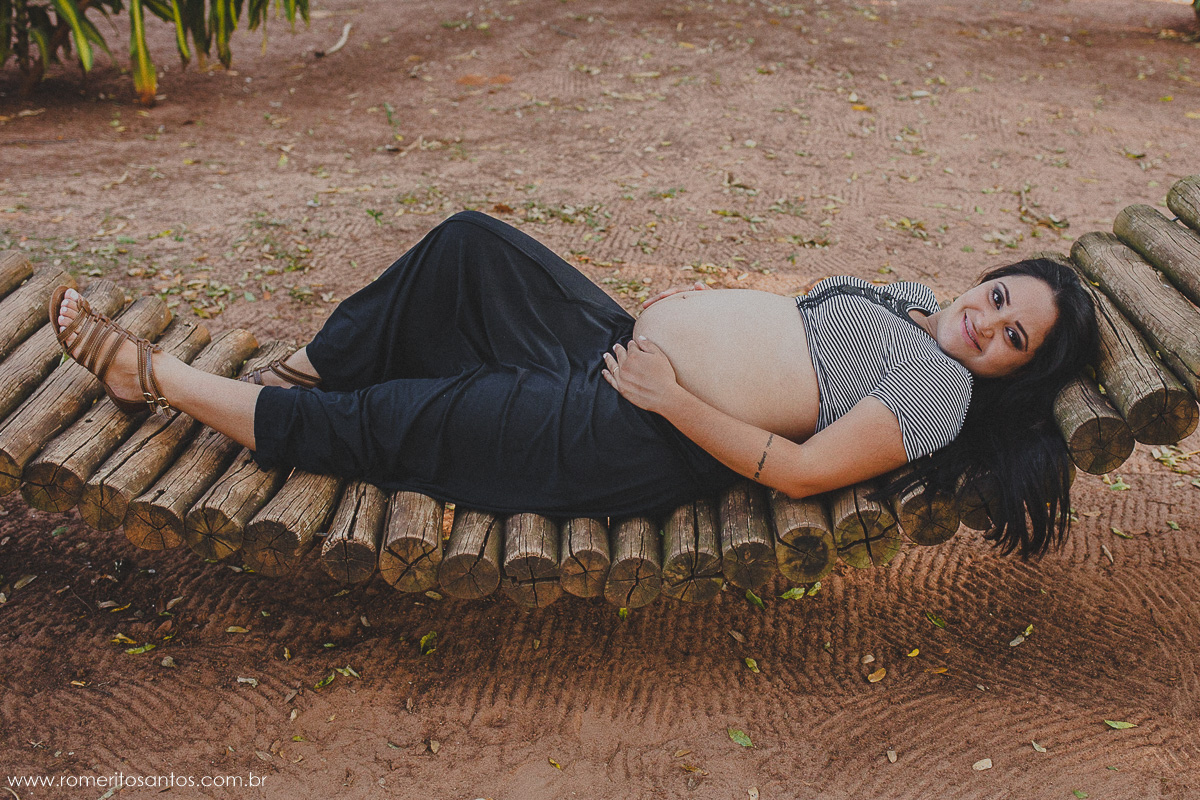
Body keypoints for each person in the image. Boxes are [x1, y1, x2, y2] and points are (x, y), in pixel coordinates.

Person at [50, 211, 1099, 557]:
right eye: (1005, 296)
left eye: (1013, 339)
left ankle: (161, 380)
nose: (989, 320)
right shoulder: (912, 295)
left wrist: (674, 395)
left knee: (406, 425)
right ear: (995, 270)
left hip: (639, 432)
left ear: (1011, 371)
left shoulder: (943, 395)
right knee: (471, 245)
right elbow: (795, 327)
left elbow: (807, 467)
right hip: (619, 350)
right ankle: (312, 364)